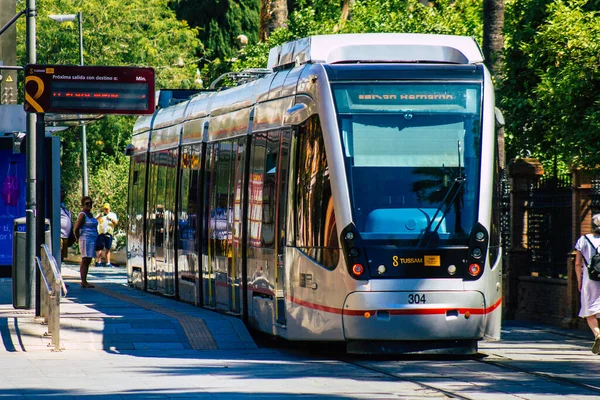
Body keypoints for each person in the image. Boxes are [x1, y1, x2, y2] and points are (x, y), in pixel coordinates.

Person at [574, 213, 600, 354]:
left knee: (589, 309)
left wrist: (579, 280)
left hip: (590, 279)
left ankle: (597, 334)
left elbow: (578, 263)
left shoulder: (583, 240)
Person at [73, 196, 98, 288]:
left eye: (90, 203)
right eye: (87, 203)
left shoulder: (91, 215)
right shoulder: (82, 215)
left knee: (89, 259)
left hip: (92, 239)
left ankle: (85, 280)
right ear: (83, 205)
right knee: (85, 260)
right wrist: (77, 238)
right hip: (85, 239)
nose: (89, 205)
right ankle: (83, 281)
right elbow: (76, 228)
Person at [96, 203, 118, 267]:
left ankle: (108, 263)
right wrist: (99, 216)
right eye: (105, 209)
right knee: (99, 248)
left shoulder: (112, 215)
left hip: (109, 233)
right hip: (101, 233)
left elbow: (116, 223)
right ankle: (99, 262)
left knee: (107, 248)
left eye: (107, 209)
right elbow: (94, 220)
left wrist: (110, 219)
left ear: (109, 209)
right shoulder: (101, 215)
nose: (106, 210)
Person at [59, 186, 73, 265]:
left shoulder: (63, 205)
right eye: (61, 192)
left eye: (64, 192)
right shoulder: (55, 205)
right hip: (59, 235)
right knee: (58, 253)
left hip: (65, 235)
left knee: (62, 255)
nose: (63, 194)